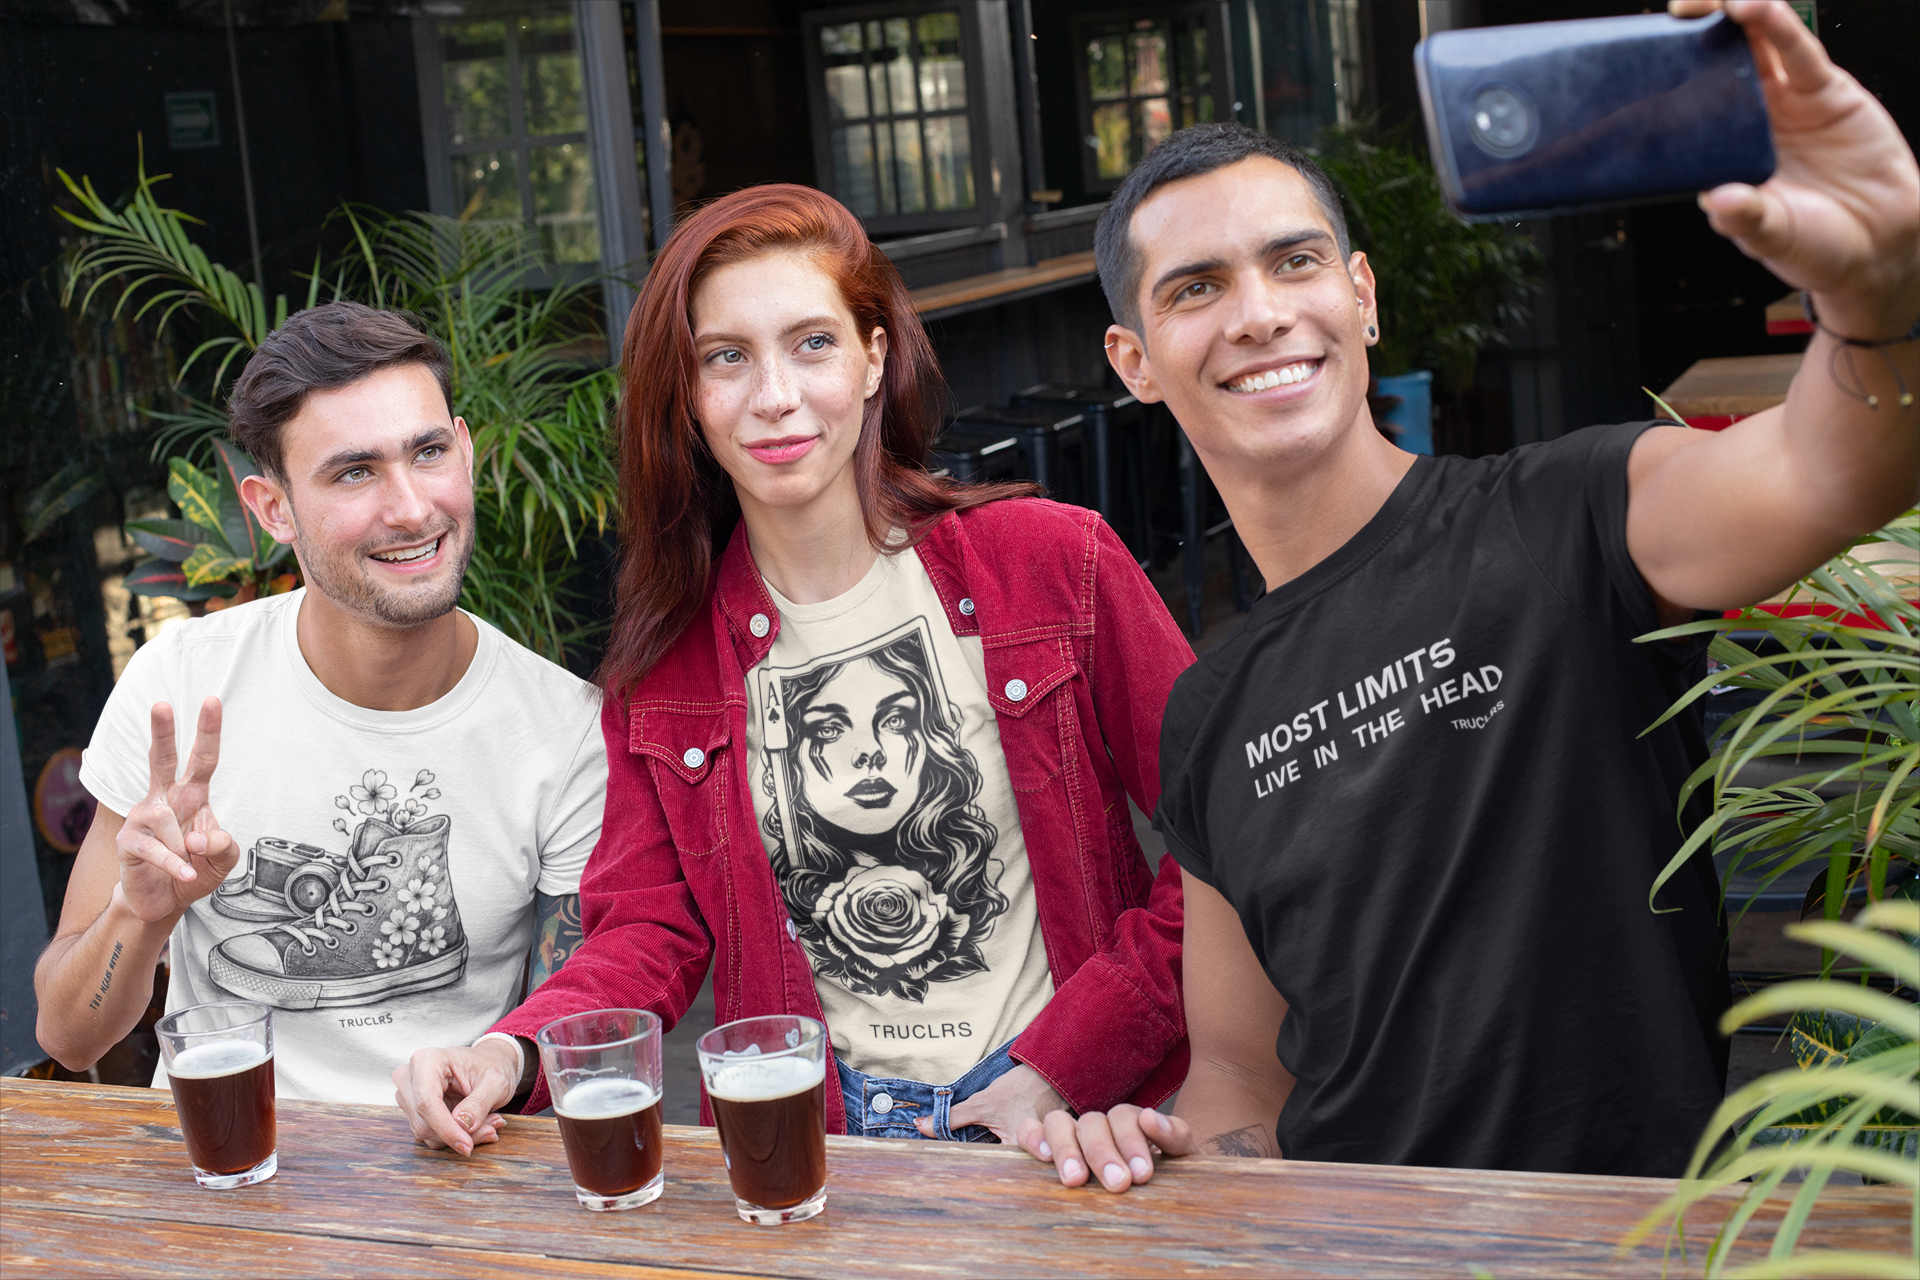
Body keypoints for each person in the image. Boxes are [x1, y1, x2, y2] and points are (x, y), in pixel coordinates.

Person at [1035, 0, 1919, 1187]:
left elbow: (1831, 467)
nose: (1258, 312)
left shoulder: (1573, 514)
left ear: (1362, 296)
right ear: (1133, 360)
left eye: (1293, 261)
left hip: (1611, 1241)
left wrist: (1884, 291)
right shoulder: (1210, 714)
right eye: (1195, 288)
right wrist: (1163, 1149)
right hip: (1351, 1250)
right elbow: (1243, 1082)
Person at [392, 184, 1193, 1169]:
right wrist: (511, 1047)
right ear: (687, 396)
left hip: (1066, 1125)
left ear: (873, 356)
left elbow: (1225, 852)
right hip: (820, 1150)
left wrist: (1070, 1060)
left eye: (811, 342)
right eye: (725, 357)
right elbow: (646, 925)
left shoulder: (1054, 563)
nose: (772, 394)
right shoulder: (668, 664)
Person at [34, 302, 607, 1104]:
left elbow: (576, 1024)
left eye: (428, 452)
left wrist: (500, 1075)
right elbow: (67, 1035)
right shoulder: (181, 687)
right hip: (228, 1173)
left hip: (454, 1181)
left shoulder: (564, 729)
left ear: (466, 453)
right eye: (354, 471)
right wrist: (140, 913)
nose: (410, 508)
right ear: (273, 510)